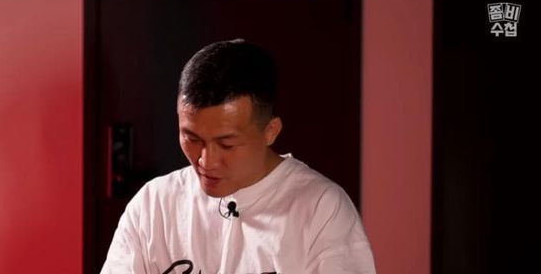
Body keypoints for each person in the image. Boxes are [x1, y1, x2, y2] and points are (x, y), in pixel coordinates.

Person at [100, 39, 377, 273]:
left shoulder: (321, 209)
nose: (206, 162)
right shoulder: (154, 204)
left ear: (270, 131)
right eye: (192, 139)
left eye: (227, 144)